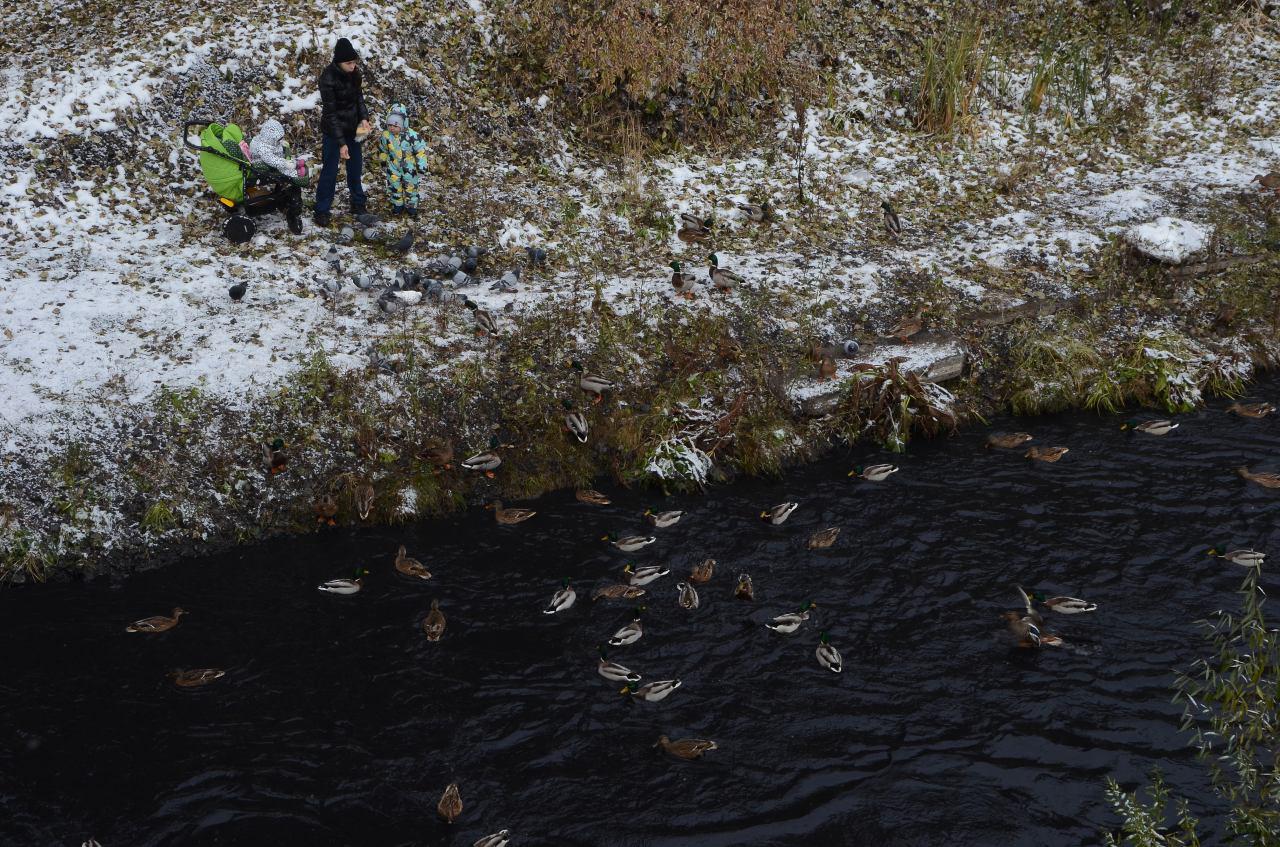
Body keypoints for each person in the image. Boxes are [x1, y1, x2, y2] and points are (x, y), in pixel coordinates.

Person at [314, 37, 371, 227]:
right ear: (339, 62)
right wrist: (341, 143)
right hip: (333, 132)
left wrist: (364, 118)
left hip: (354, 129)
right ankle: (321, 210)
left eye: (354, 62)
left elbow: (359, 99)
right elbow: (330, 114)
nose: (353, 66)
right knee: (330, 171)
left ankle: (358, 203)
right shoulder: (327, 78)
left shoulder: (355, 74)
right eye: (349, 63)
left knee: (355, 168)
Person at [248, 118, 309, 234]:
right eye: (277, 139)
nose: (278, 140)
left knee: (286, 159)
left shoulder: (265, 141)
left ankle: (294, 164)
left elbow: (274, 149)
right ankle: (294, 172)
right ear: (270, 137)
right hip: (265, 166)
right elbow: (272, 160)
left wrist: (281, 146)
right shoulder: (263, 148)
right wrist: (286, 163)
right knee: (284, 167)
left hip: (269, 160)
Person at [376, 104, 429, 218]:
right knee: (394, 186)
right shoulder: (386, 136)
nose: (391, 128)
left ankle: (411, 207)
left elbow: (420, 152)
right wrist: (384, 162)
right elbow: (383, 150)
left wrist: (421, 167)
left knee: (411, 187)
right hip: (393, 166)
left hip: (409, 167)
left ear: (402, 123)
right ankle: (397, 206)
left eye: (395, 125)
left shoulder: (412, 136)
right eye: (389, 125)